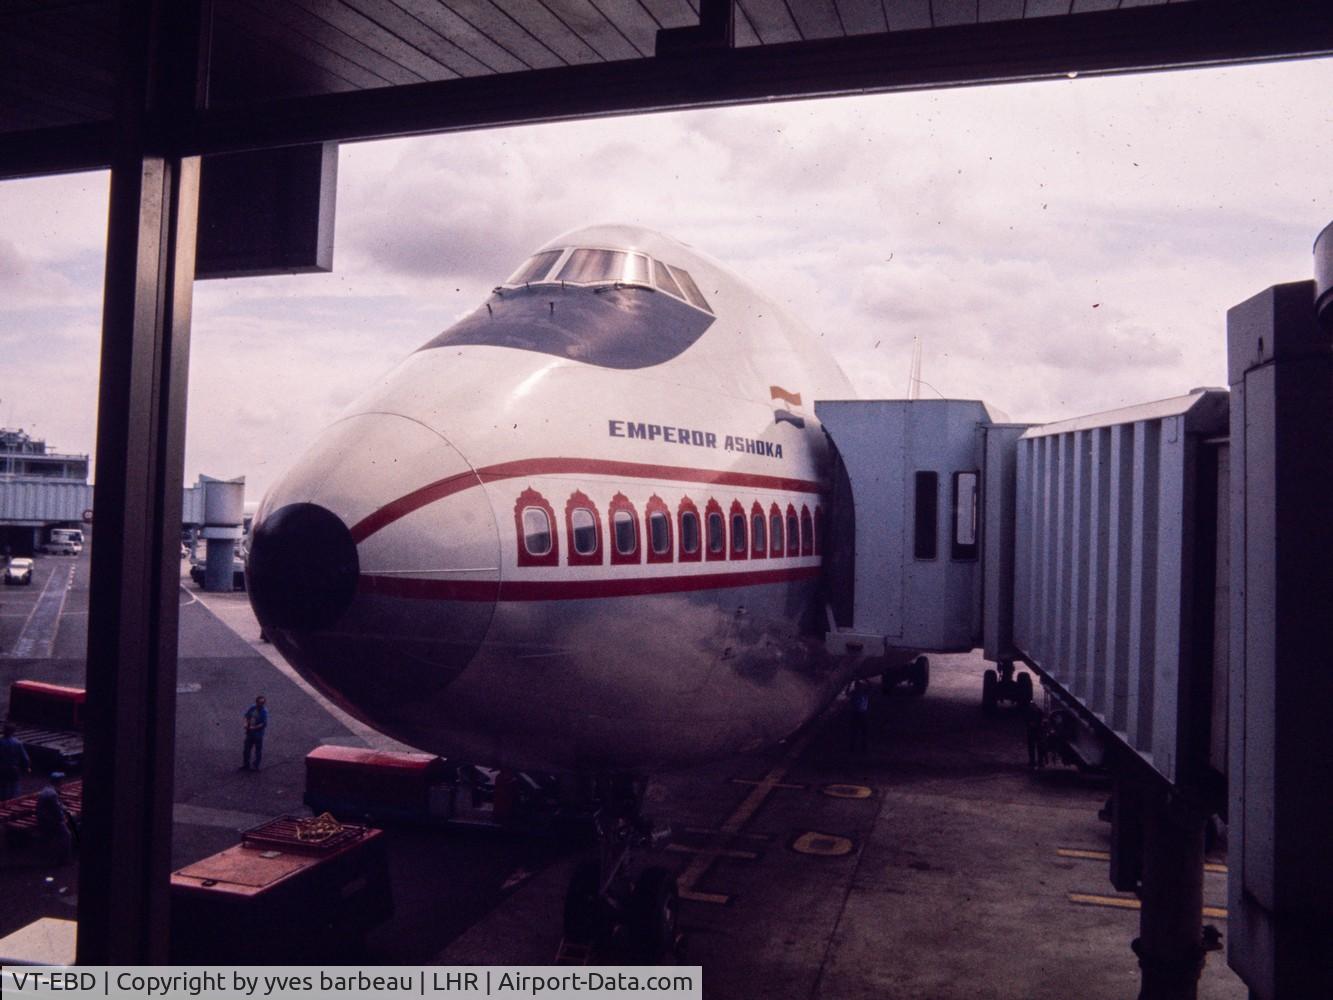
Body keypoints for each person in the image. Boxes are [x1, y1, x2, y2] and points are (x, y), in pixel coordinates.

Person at [35, 773, 72, 865]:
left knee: (48, 837)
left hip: (43, 818)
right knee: (66, 835)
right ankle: (63, 860)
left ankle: (46, 855)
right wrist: (63, 819)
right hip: (49, 821)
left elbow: (57, 805)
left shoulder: (46, 790)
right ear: (58, 782)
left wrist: (64, 807)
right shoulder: (53, 794)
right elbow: (57, 811)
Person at [1, 722, 31, 800]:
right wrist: (27, 767)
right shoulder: (18, 743)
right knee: (14, 787)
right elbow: (25, 758)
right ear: (13, 732)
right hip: (14, 769)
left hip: (2, 768)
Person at [242, 695, 268, 771]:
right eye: (260, 702)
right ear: (256, 702)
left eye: (263, 703)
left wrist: (253, 728)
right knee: (246, 749)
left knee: (258, 750)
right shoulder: (252, 707)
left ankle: (256, 766)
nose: (261, 704)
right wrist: (246, 723)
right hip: (250, 732)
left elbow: (263, 724)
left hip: (258, 734)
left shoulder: (264, 711)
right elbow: (246, 716)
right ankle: (246, 764)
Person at [848, 680, 871, 752]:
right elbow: (870, 687)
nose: (859, 687)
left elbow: (847, 693)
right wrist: (866, 679)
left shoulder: (855, 693)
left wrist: (849, 683)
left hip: (857, 714)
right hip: (861, 714)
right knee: (862, 732)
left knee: (856, 732)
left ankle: (856, 748)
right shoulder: (863, 693)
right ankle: (862, 748)